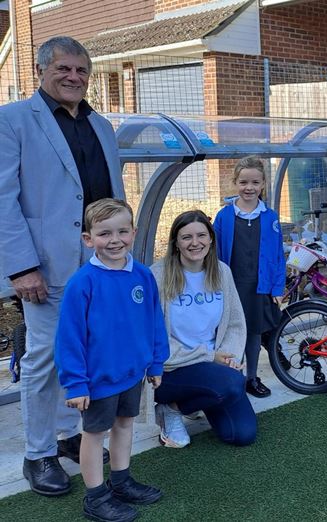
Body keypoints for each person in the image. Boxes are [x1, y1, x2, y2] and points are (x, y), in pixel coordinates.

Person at [0, 36, 124, 496]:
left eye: (81, 71)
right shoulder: (12, 121)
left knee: (86, 354)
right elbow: (2, 200)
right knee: (45, 359)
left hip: (99, 263)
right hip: (45, 268)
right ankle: (38, 454)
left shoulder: (101, 126)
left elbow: (113, 196)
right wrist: (21, 267)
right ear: (40, 70)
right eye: (64, 69)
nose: (74, 77)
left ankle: (72, 435)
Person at [55, 199, 168, 522]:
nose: (115, 240)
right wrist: (76, 383)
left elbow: (154, 321)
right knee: (94, 435)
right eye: (105, 233)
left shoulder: (143, 276)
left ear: (133, 232)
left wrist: (156, 362)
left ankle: (121, 481)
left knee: (125, 425)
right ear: (88, 239)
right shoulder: (82, 283)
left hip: (132, 375)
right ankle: (95, 496)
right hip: (98, 380)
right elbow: (69, 338)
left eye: (122, 231)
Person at [151, 210, 257, 448]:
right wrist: (210, 357)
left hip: (213, 366)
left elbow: (235, 324)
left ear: (211, 239)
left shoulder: (221, 271)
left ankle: (187, 403)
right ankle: (170, 408)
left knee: (241, 434)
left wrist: (228, 356)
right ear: (176, 243)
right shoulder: (157, 275)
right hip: (172, 369)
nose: (195, 243)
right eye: (186, 237)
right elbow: (153, 337)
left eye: (201, 235)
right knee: (230, 384)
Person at [213, 156, 285, 398]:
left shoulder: (270, 216)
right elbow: (216, 254)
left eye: (255, 182)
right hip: (232, 286)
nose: (249, 187)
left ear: (263, 183)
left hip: (259, 286)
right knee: (231, 334)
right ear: (235, 183)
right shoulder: (224, 216)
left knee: (253, 333)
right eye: (243, 182)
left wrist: (277, 287)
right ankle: (234, 379)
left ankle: (251, 378)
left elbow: (277, 254)